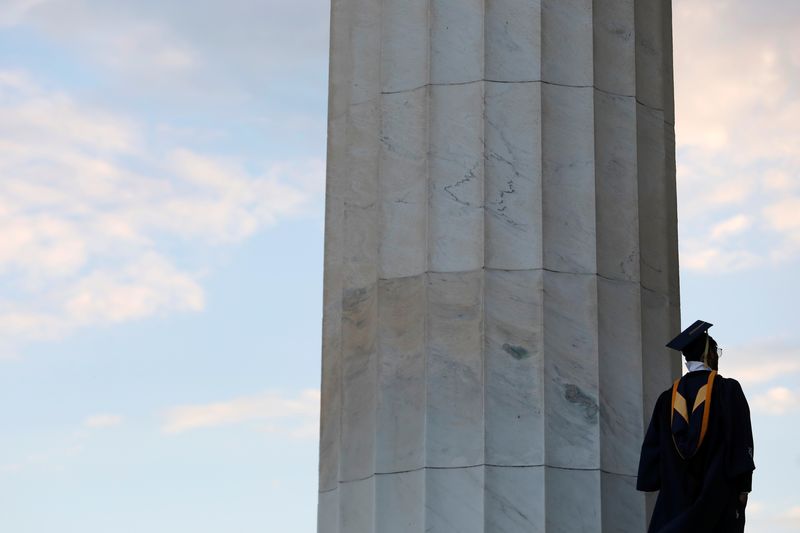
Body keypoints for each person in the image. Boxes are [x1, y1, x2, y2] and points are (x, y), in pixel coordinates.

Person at [637, 320, 755, 533]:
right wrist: (743, 486)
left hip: (675, 502)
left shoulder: (667, 400)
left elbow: (653, 450)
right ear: (709, 354)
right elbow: (741, 439)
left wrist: (657, 480)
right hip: (716, 496)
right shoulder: (727, 390)